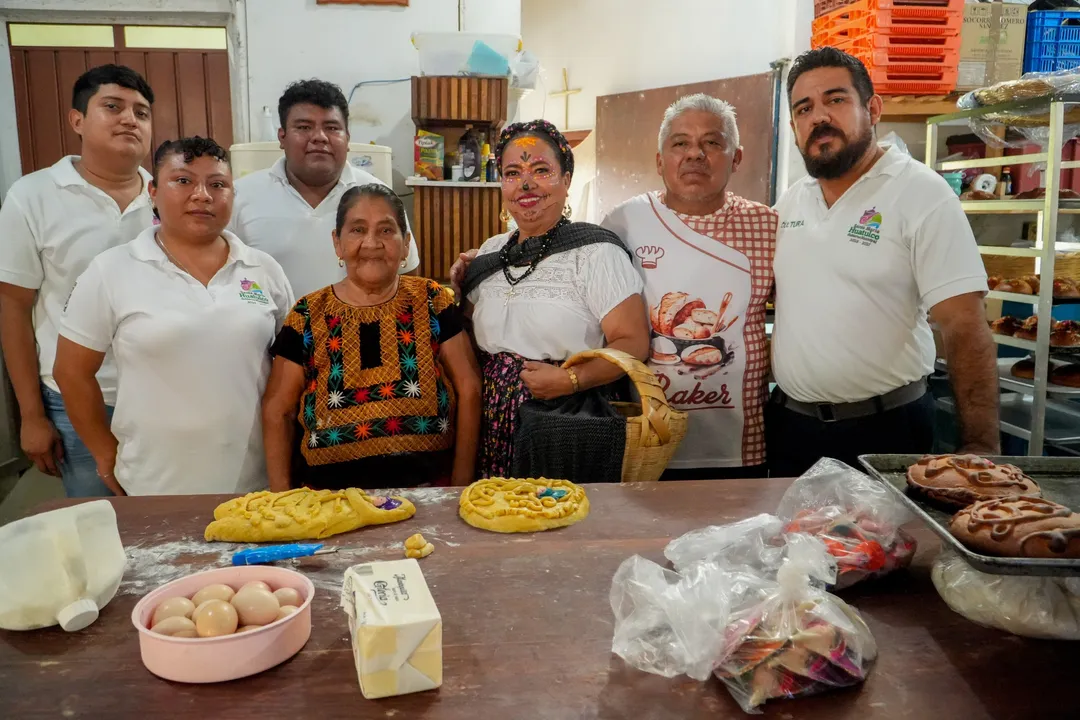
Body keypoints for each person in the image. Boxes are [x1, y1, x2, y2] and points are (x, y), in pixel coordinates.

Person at [769, 47, 999, 476]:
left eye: (836, 99)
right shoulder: (791, 202)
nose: (819, 117)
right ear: (794, 127)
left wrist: (981, 445)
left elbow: (964, 325)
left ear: (872, 109)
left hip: (886, 429)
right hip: (792, 430)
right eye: (804, 108)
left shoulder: (921, 194)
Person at [53, 137, 294, 496]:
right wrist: (104, 453)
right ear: (153, 191)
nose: (202, 195)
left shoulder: (263, 269)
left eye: (218, 184)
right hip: (153, 486)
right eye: (183, 181)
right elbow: (71, 371)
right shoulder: (112, 270)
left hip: (253, 484)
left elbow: (290, 371)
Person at [459, 120, 649, 479]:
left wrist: (571, 379)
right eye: (512, 173)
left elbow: (633, 341)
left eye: (541, 170)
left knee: (555, 510)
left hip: (565, 419)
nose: (525, 184)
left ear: (566, 180)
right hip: (491, 418)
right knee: (493, 508)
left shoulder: (595, 253)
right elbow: (465, 331)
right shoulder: (490, 252)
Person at [602, 94, 777, 480]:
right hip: (646, 442)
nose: (695, 154)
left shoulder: (768, 226)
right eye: (680, 143)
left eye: (712, 142)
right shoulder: (624, 222)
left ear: (736, 158)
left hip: (741, 447)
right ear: (660, 160)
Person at [261, 184, 480, 489]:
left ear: (406, 244)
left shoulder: (432, 300)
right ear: (337, 243)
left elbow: (469, 389)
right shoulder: (308, 314)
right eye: (358, 230)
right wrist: (281, 499)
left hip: (429, 493)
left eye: (386, 230)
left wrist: (460, 487)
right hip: (327, 501)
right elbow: (277, 411)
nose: (372, 243)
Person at [0, 64, 155, 497]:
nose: (129, 119)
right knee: (101, 521)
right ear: (77, 120)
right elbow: (13, 307)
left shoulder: (169, 197)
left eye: (141, 112)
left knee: (170, 516)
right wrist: (32, 415)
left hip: (162, 394)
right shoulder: (33, 196)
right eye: (113, 107)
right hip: (78, 399)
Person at [230, 79, 419, 298]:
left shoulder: (379, 198)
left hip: (359, 321)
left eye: (332, 128)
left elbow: (407, 275)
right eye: (304, 127)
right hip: (275, 322)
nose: (319, 137)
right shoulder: (239, 197)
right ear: (282, 137)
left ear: (347, 138)